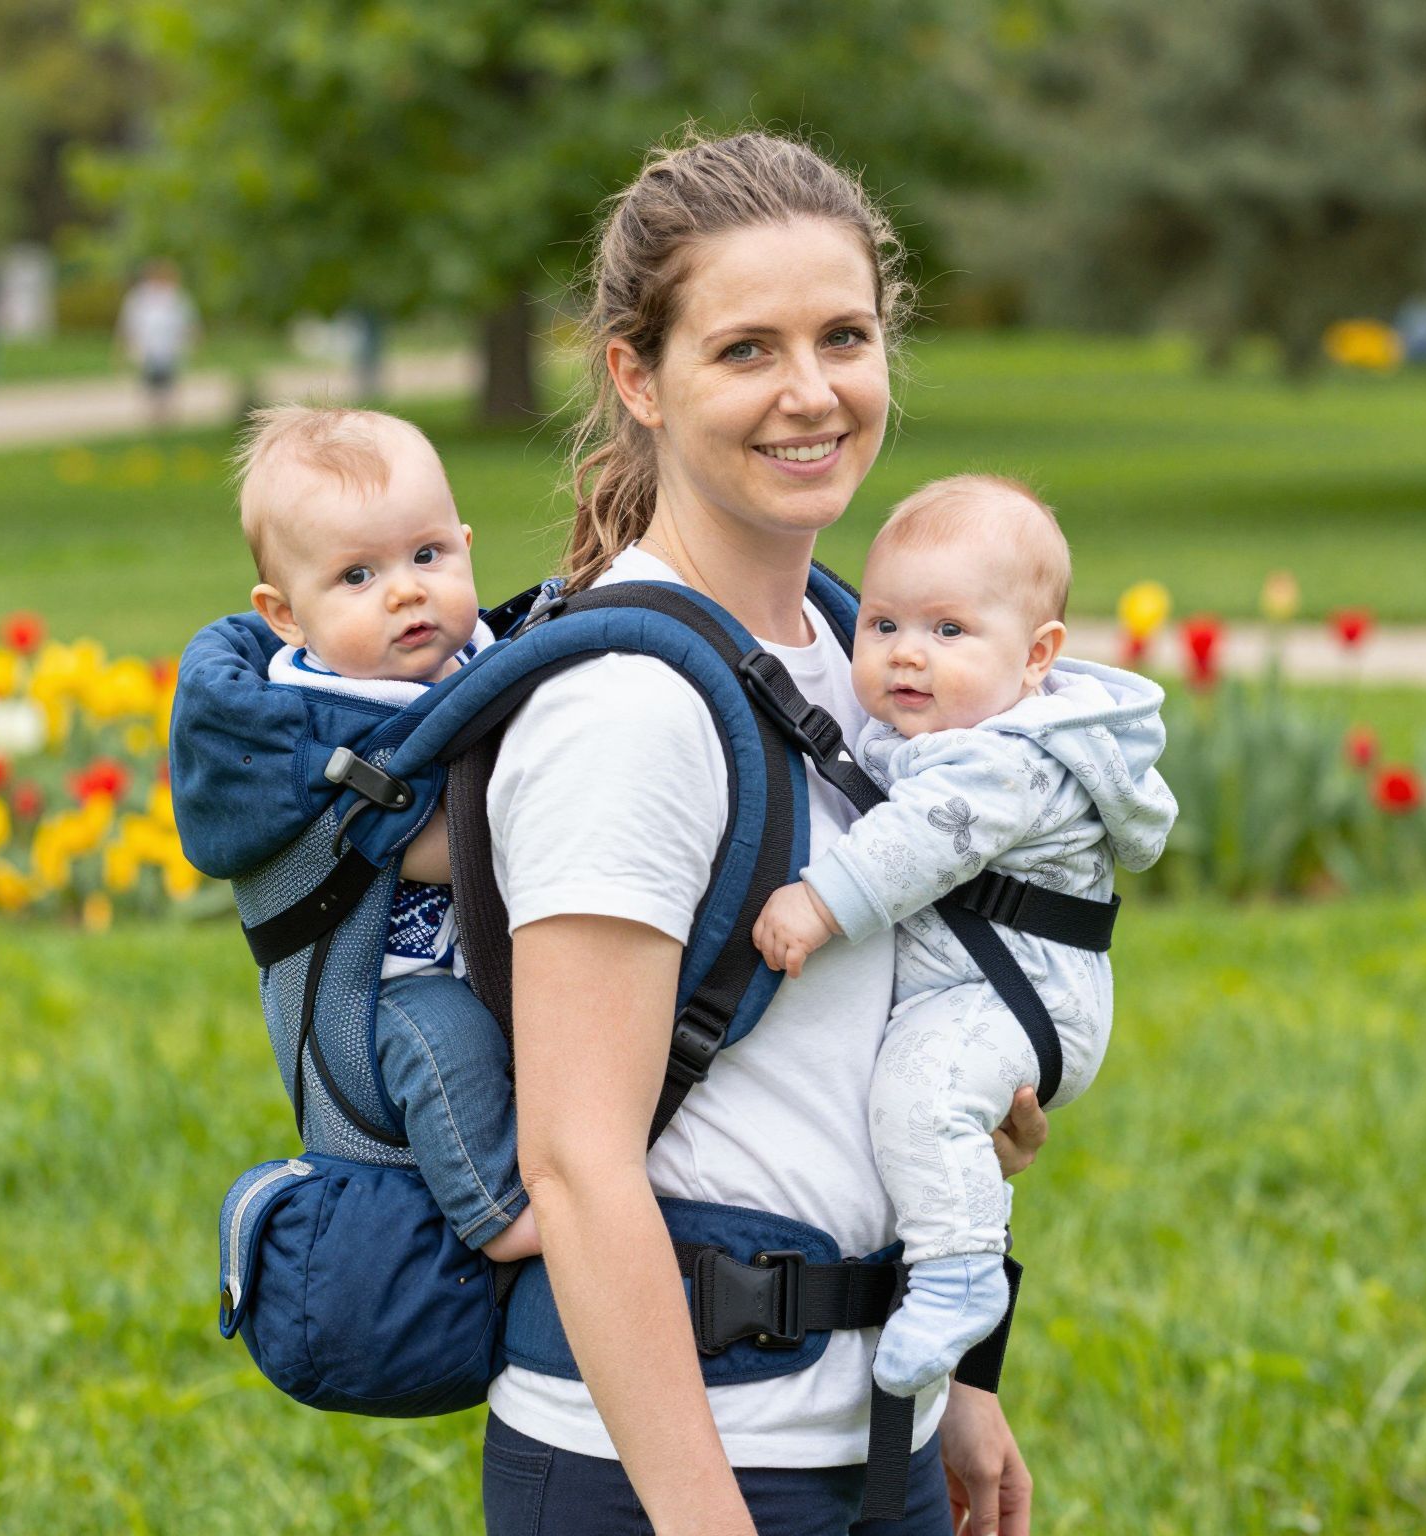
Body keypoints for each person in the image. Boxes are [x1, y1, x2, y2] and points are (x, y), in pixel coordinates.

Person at [481, 131, 1049, 1536]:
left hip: (877, 1437)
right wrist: (702, 1517)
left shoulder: (873, 659)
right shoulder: (627, 710)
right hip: (673, 1470)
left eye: (844, 337)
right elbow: (577, 1163)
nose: (814, 395)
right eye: (746, 350)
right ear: (638, 377)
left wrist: (957, 1383)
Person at [751, 474, 1176, 1400]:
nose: (908, 655)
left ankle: (959, 1275)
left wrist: (819, 902)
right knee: (914, 1097)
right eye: (886, 625)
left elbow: (921, 840)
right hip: (976, 990)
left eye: (948, 632)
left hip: (1016, 999)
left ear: (1037, 657)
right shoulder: (940, 724)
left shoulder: (1008, 758)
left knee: (921, 1090)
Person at [238, 403, 539, 1261]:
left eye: (427, 555)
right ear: (287, 615)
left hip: (482, 948)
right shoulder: (314, 714)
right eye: (357, 578)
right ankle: (497, 1216)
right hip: (383, 988)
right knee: (446, 1047)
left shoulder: (478, 655)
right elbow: (426, 848)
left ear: (466, 545)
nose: (407, 589)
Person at [118, 260, 201, 427]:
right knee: (150, 382)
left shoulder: (176, 297)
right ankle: (153, 415)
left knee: (168, 381)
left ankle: (167, 415)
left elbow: (189, 322)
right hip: (148, 348)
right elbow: (129, 323)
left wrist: (193, 341)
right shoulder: (139, 298)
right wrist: (124, 346)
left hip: (170, 348)